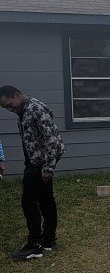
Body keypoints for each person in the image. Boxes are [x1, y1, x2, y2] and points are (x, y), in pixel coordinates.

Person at [0, 86, 65, 260]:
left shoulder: (36, 108)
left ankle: (35, 244)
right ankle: (49, 240)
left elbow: (51, 138)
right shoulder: (24, 110)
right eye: (6, 108)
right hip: (35, 160)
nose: (10, 109)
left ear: (16, 95)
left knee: (28, 201)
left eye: (9, 104)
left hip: (40, 162)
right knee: (46, 199)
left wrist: (48, 167)